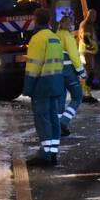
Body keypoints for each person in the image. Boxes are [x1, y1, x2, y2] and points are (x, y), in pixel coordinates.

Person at [23, 8, 65, 164]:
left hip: (42, 85)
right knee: (53, 118)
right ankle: (53, 153)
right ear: (48, 20)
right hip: (56, 83)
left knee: (42, 119)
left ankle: (45, 155)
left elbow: (34, 66)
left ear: (36, 19)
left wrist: (28, 88)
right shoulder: (55, 38)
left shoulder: (37, 39)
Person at [55, 14, 86, 136]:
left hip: (57, 71)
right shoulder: (68, 36)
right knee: (77, 97)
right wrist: (81, 71)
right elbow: (74, 56)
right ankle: (64, 122)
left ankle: (57, 126)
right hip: (68, 71)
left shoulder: (56, 35)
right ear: (70, 24)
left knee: (60, 100)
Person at [78, 8, 100, 103]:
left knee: (87, 75)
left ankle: (86, 95)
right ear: (90, 16)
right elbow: (86, 39)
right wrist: (92, 47)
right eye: (93, 16)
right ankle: (86, 96)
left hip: (86, 52)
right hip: (88, 53)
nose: (95, 18)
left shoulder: (84, 24)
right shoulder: (87, 25)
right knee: (89, 75)